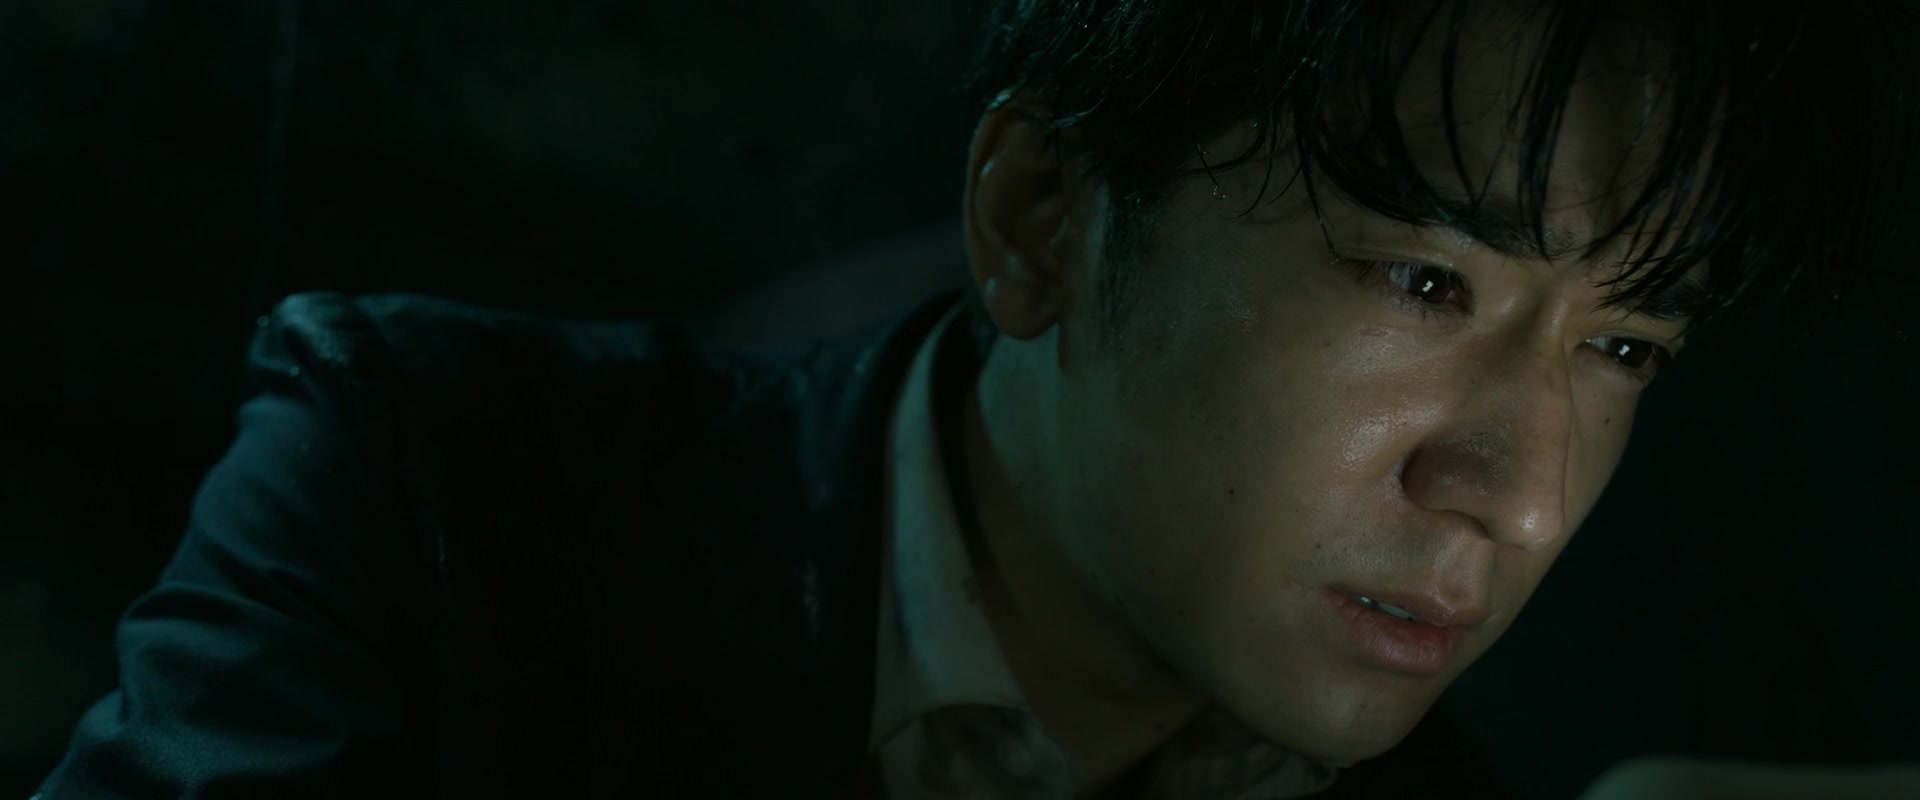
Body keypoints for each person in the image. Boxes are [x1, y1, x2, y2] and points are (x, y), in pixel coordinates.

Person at [34, 1, 1909, 798]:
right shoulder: (427, 497)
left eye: (1624, 348)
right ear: (1040, 221)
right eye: (1429, 283)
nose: (1523, 491)